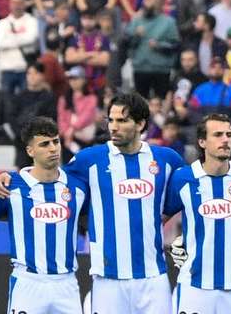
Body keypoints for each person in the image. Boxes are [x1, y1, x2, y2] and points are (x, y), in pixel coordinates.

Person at [74, 95, 186, 314]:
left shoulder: (167, 159)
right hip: (108, 278)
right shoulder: (88, 160)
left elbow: (191, 190)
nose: (114, 127)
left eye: (122, 121)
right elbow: (55, 187)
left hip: (153, 277)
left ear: (141, 124)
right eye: (111, 120)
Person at [164, 111, 231, 314]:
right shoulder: (183, 178)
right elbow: (156, 221)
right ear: (202, 142)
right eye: (218, 135)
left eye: (229, 135)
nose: (225, 140)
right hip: (194, 287)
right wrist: (173, 245)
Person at [4, 125, 83, 314]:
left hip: (66, 284)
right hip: (28, 283)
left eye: (56, 141)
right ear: (30, 150)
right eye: (44, 144)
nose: (53, 148)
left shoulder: (78, 186)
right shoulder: (11, 186)